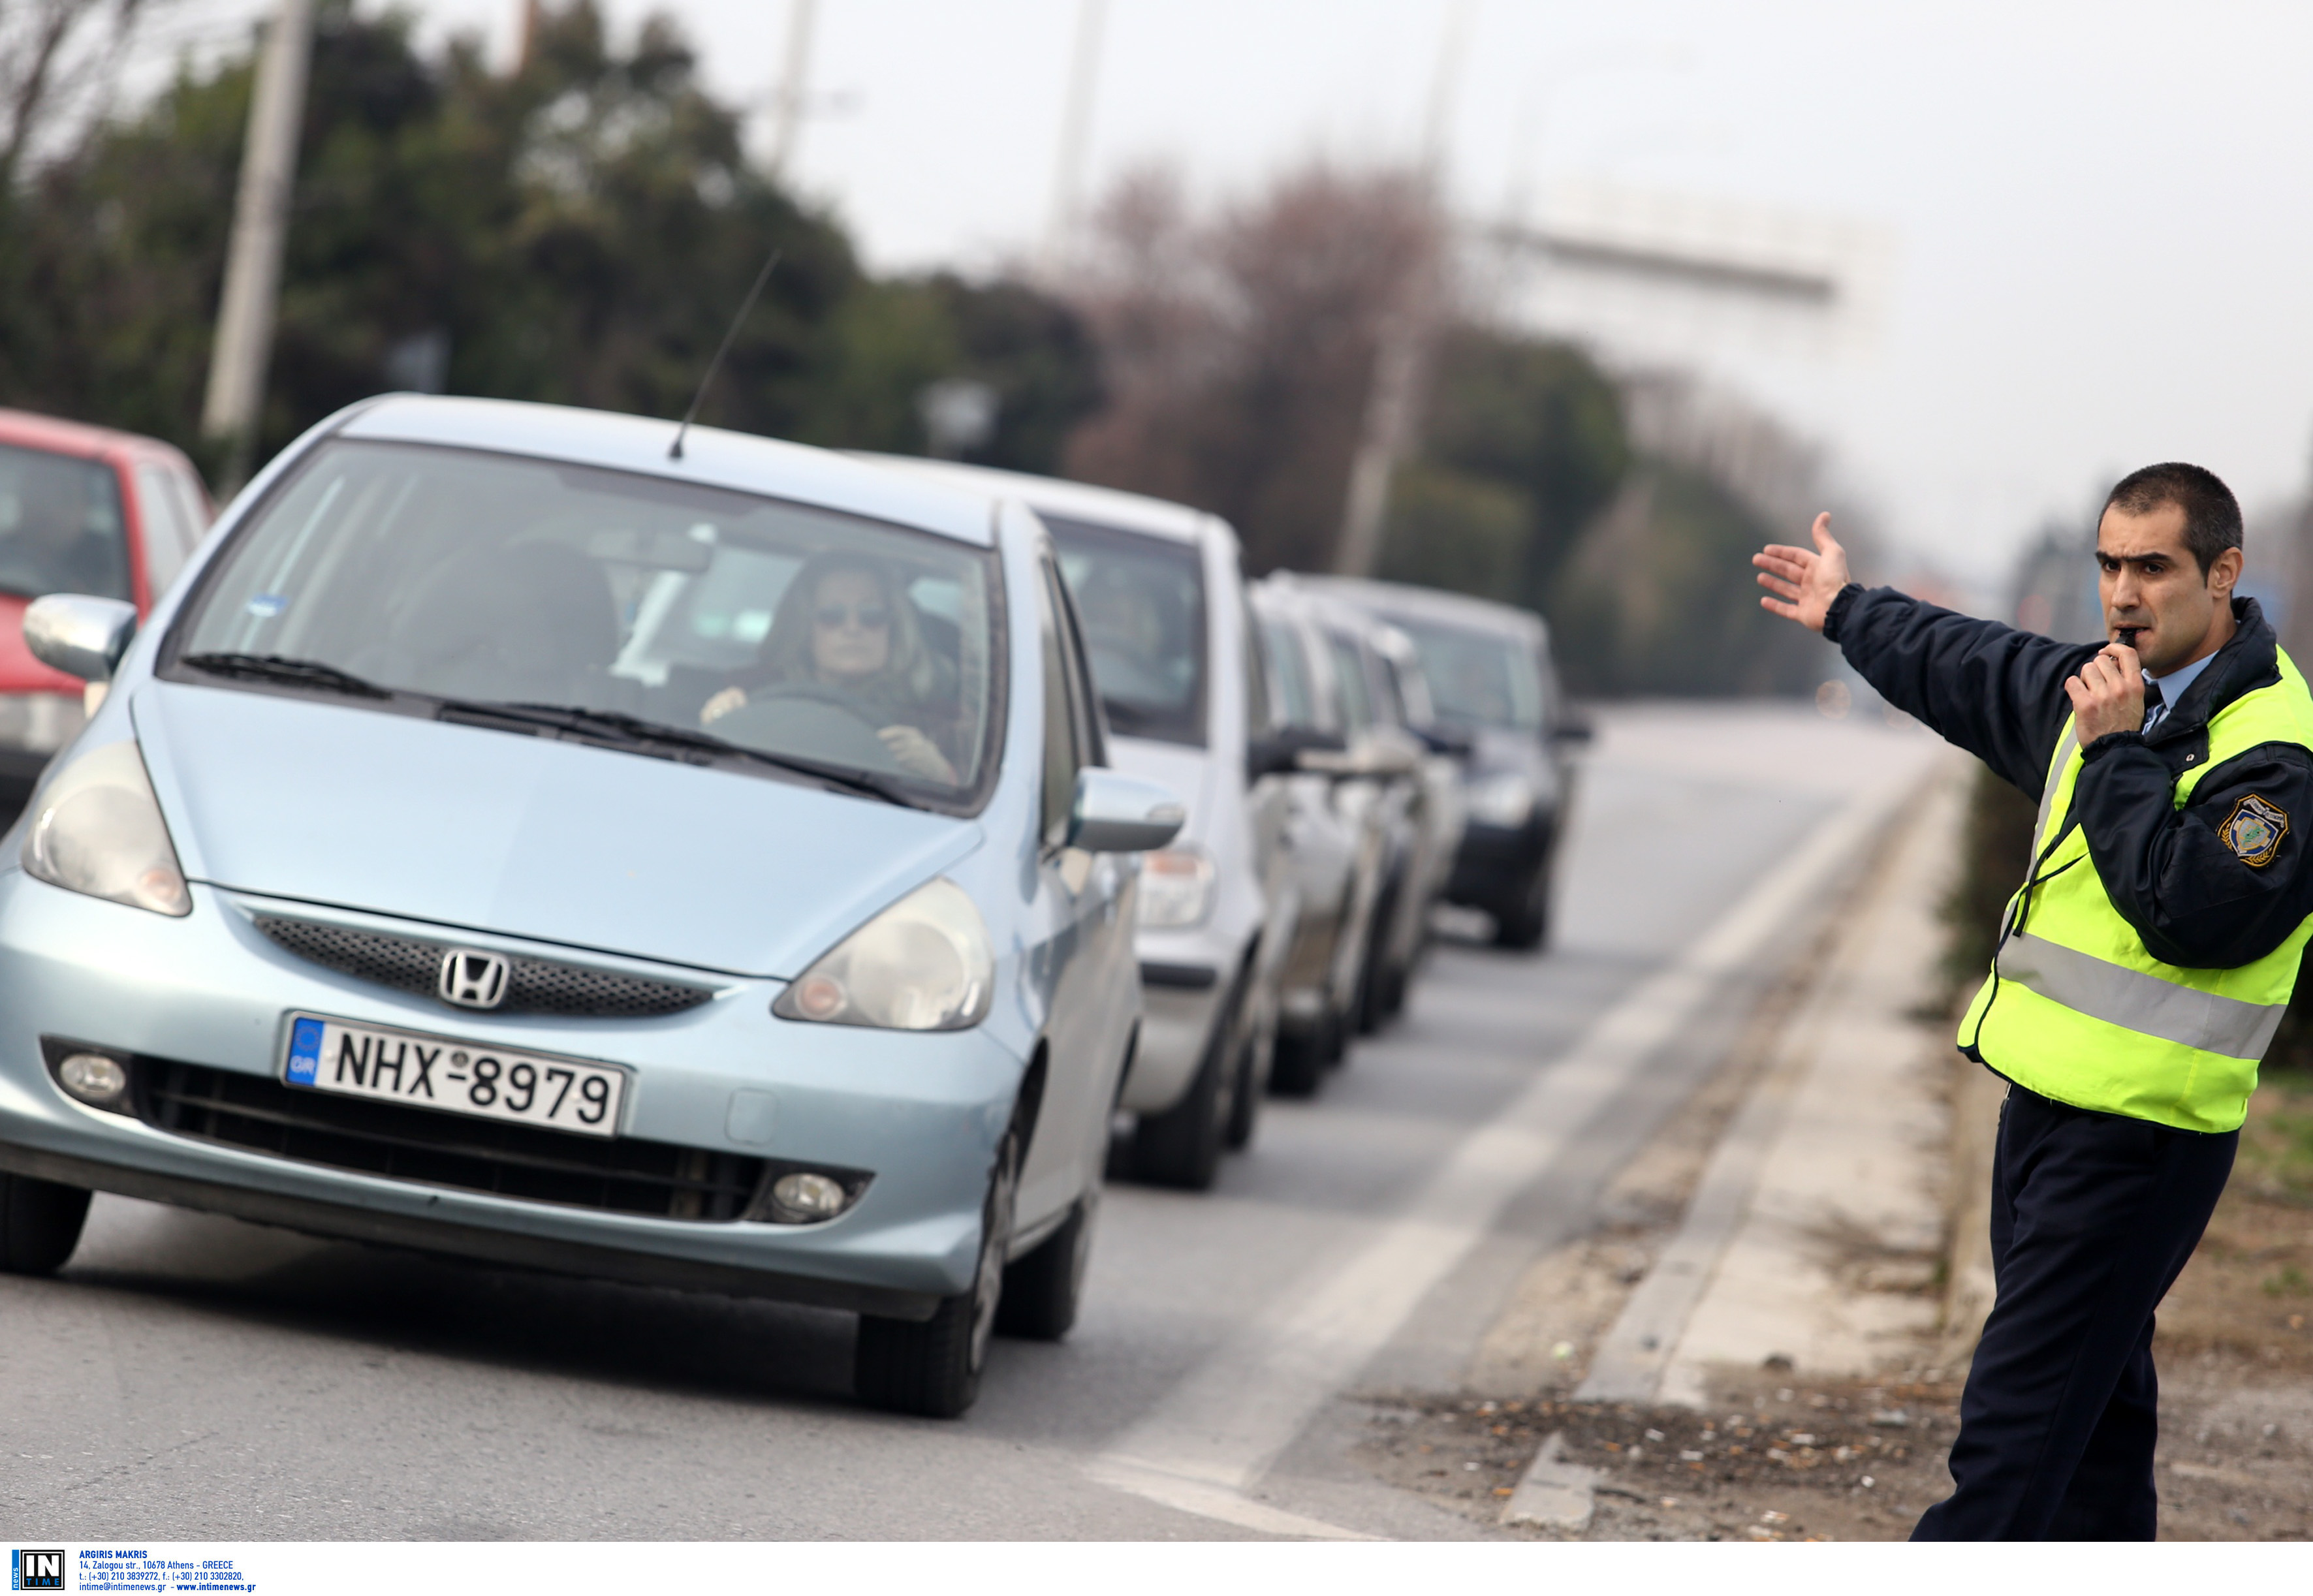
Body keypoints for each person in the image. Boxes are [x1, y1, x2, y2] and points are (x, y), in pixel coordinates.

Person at [1754, 462, 2313, 1540]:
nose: (2121, 593)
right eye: (2108, 564)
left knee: (2006, 1454)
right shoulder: (2109, 687)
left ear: (2222, 574)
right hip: (2041, 1116)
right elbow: (1967, 663)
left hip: (2140, 1141)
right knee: (2092, 1447)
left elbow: (2192, 912)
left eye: (2151, 567)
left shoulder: (2275, 755)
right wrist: (1846, 610)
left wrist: (2111, 755)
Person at [702, 551, 958, 783]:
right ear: (803, 628)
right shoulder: (749, 693)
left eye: (871, 614)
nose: (853, 628)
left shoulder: (937, 719)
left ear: (895, 627)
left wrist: (940, 772)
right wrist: (714, 727)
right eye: (832, 615)